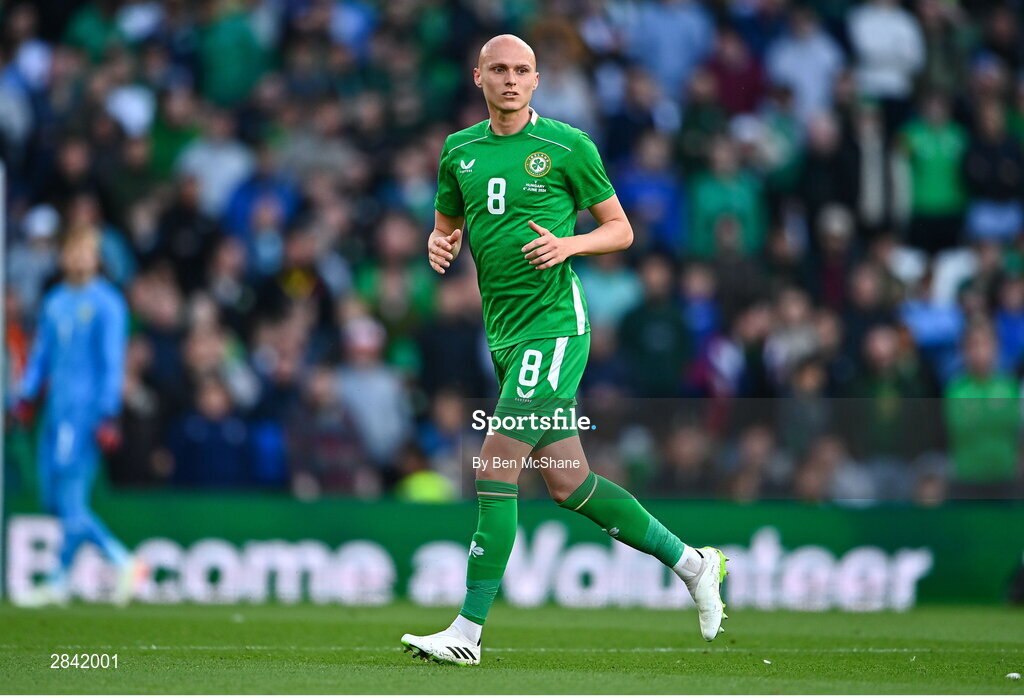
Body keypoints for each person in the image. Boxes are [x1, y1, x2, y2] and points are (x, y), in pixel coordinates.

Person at [400, 35, 727, 667]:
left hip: (554, 328)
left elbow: (621, 228)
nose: (511, 80)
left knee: (496, 468)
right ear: (478, 78)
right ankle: (694, 565)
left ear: (537, 80)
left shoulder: (567, 146)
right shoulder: (458, 151)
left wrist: (570, 246)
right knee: (569, 483)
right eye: (500, 70)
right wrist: (439, 245)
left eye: (523, 71)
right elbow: (448, 226)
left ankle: (466, 633)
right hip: (505, 332)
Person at [10, 227, 145, 606]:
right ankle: (111, 565)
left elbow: (112, 362)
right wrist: (25, 395)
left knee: (70, 499)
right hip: (54, 413)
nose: (79, 257)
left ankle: (96, 567)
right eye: (74, 249)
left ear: (96, 257)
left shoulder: (107, 303)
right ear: (63, 254)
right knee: (52, 499)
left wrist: (107, 414)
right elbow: (41, 356)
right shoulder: (55, 301)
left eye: (87, 250)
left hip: (84, 413)